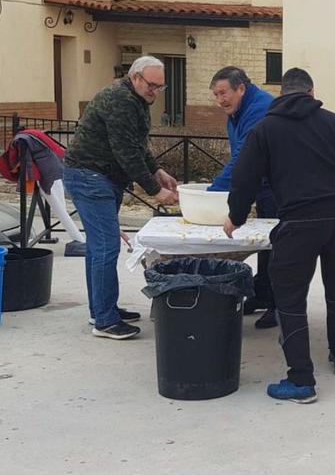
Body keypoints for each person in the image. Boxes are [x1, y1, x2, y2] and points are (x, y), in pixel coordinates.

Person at [224, 68, 335, 403]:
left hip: (300, 221)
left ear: (282, 93)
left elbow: (244, 178)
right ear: (311, 93)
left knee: (290, 297)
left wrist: (234, 217)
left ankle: (301, 380)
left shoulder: (266, 128)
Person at [65, 56, 180, 340]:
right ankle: (105, 321)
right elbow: (126, 152)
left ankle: (102, 309)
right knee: (105, 248)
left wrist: (158, 170)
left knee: (97, 248)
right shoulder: (120, 100)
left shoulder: (135, 99)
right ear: (135, 77)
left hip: (98, 177)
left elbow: (136, 144)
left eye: (160, 87)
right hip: (90, 176)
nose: (155, 92)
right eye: (151, 85)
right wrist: (155, 191)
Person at [205, 66, 278, 329]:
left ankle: (277, 305)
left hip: (278, 187)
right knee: (265, 245)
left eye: (224, 93)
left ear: (241, 89)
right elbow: (238, 155)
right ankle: (261, 293)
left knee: (277, 246)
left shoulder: (259, 109)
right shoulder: (237, 112)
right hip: (261, 185)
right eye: (215, 95)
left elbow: (242, 161)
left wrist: (211, 194)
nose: (220, 100)